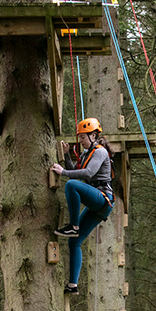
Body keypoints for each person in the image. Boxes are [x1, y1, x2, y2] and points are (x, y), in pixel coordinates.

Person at [51, 118, 114, 295]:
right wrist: (67, 154)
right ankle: (73, 285)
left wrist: (63, 172)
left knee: (71, 186)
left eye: (83, 138)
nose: (80, 142)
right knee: (74, 242)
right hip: (96, 203)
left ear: (93, 135)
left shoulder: (100, 152)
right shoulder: (87, 153)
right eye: (79, 138)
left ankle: (74, 225)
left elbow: (88, 173)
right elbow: (75, 171)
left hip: (103, 198)